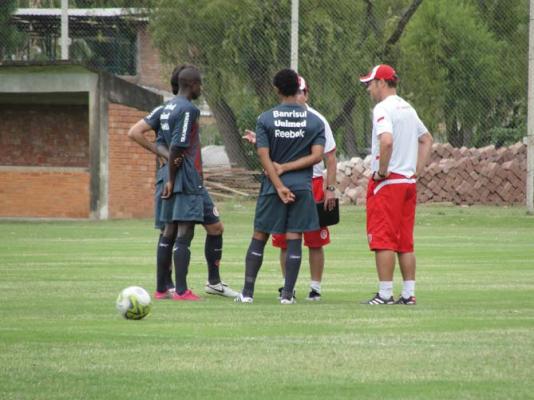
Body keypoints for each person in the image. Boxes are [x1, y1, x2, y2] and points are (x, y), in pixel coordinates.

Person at [131, 64, 237, 301]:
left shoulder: (164, 108)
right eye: (200, 84)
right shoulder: (188, 109)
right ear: (192, 85)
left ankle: (165, 288)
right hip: (185, 177)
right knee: (183, 232)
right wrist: (171, 175)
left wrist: (163, 156)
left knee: (199, 228)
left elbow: (135, 132)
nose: (201, 89)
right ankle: (181, 291)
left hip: (175, 175)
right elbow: (178, 146)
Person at [235, 68, 326, 304]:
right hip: (301, 187)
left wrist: (278, 183)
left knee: (260, 234)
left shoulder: (265, 119)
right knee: (294, 235)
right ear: (298, 88)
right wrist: (288, 168)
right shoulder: (315, 121)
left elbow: (263, 155)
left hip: (271, 187)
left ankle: (247, 293)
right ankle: (287, 295)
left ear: (276, 89)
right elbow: (317, 156)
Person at [359, 64, 433, 305]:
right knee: (405, 241)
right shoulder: (408, 108)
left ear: (381, 83)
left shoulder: (382, 108)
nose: (368, 89)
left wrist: (382, 172)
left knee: (383, 239)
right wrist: (416, 171)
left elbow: (387, 141)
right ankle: (409, 293)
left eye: (370, 83)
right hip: (408, 182)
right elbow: (426, 139)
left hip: (388, 183)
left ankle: (385, 294)